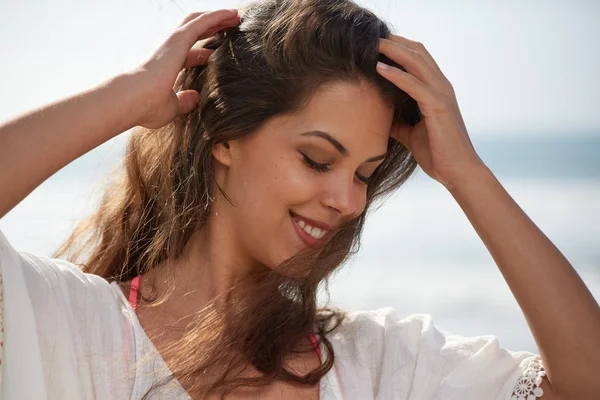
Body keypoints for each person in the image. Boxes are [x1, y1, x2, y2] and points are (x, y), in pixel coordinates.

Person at [0, 1, 598, 399]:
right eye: (317, 159)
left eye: (366, 173)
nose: (348, 201)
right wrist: (130, 96)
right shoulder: (67, 326)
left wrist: (465, 172)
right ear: (225, 134)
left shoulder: (375, 366)